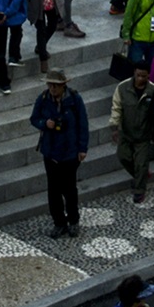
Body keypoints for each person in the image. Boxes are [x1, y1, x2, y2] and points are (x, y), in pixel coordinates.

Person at [32, 68, 91, 238]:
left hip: (70, 153)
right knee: (53, 190)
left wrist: (82, 148)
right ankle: (59, 222)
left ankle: (73, 220)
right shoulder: (43, 99)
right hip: (50, 152)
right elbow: (34, 119)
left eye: (56, 86)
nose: (52, 89)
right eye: (50, 85)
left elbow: (83, 124)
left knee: (69, 189)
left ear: (63, 85)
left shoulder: (74, 99)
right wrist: (45, 123)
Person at [114, 60, 154, 206]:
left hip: (144, 134)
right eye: (138, 75)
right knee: (123, 157)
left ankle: (139, 189)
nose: (141, 79)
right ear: (134, 73)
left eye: (144, 76)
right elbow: (116, 107)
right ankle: (140, 176)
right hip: (126, 132)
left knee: (141, 164)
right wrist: (114, 126)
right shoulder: (122, 88)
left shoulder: (153, 90)